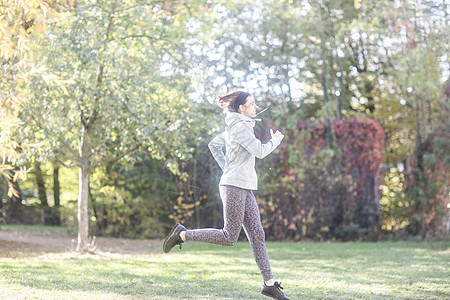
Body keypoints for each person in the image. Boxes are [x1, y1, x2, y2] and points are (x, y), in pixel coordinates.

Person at [163, 91, 290, 300]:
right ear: (241, 108)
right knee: (229, 236)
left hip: (243, 185)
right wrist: (275, 140)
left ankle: (269, 284)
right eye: (252, 104)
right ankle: (183, 234)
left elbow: (214, 145)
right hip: (234, 186)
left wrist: (228, 168)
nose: (255, 107)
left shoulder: (238, 125)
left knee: (257, 234)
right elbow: (259, 151)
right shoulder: (240, 127)